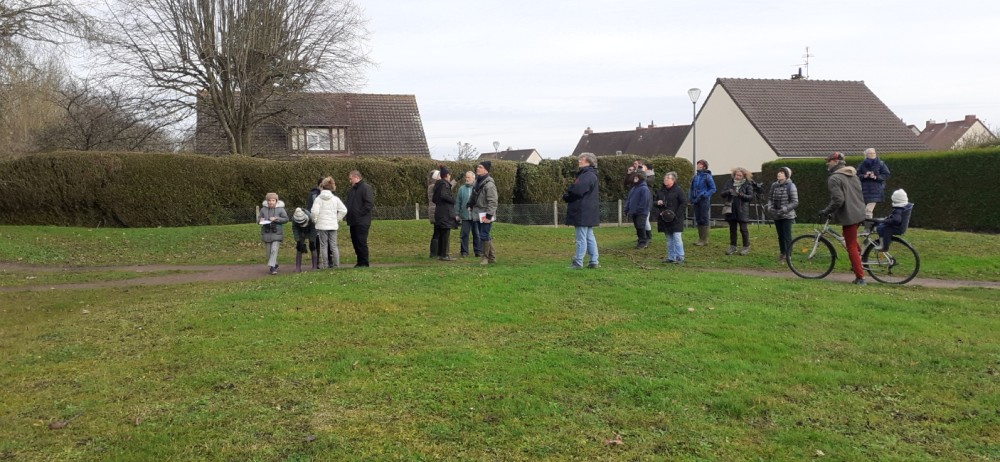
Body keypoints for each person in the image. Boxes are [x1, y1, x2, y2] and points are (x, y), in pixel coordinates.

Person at [819, 152, 867, 285]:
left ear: (835, 162)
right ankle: (858, 260)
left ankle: (860, 277)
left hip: (850, 215)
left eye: (828, 161)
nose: (827, 164)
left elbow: (838, 200)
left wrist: (826, 211)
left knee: (850, 245)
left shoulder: (834, 178)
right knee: (850, 239)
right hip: (859, 212)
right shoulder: (853, 174)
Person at [563, 152, 600, 269]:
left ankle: (578, 262)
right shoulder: (589, 175)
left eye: (582, 159)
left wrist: (567, 196)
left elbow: (577, 191)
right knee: (589, 236)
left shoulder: (586, 175)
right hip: (588, 210)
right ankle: (594, 261)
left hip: (582, 211)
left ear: (588, 161)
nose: (579, 161)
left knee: (581, 238)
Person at [310, 176, 348, 269]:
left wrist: (315, 220)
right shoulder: (335, 199)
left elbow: (314, 212)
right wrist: (337, 219)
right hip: (333, 225)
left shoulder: (318, 199)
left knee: (323, 246)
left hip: (322, 226)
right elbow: (343, 210)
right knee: (334, 245)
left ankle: (325, 265)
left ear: (321, 186)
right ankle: (336, 265)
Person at [765, 167, 799, 263]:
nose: (779, 174)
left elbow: (795, 202)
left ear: (786, 175)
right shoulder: (774, 185)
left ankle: (788, 255)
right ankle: (782, 253)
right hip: (776, 215)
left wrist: (784, 209)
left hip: (787, 216)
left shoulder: (791, 186)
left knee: (787, 236)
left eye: (782, 173)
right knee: (780, 236)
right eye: (779, 172)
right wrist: (770, 207)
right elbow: (770, 198)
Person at [720, 167, 755, 256]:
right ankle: (733, 246)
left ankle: (746, 246)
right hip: (731, 208)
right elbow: (722, 194)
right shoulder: (729, 182)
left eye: (740, 175)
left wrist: (741, 194)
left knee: (743, 229)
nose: (737, 177)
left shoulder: (748, 184)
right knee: (732, 229)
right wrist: (728, 191)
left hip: (742, 210)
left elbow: (750, 197)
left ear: (744, 176)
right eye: (736, 175)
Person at [470, 160, 498, 265]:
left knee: (483, 235)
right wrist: (470, 204)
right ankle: (492, 257)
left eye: (480, 167)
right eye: (478, 167)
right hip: (478, 213)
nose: (477, 168)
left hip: (486, 213)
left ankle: (485, 258)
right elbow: (474, 196)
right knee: (484, 235)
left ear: (486, 170)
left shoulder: (489, 184)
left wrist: (489, 215)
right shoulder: (477, 182)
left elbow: (493, 201)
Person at [655, 171, 688, 264]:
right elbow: (654, 202)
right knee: (669, 239)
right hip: (665, 219)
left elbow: (684, 203)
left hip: (676, 219)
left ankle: (680, 257)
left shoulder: (678, 190)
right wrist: (658, 203)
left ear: (673, 180)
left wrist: (676, 214)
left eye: (667, 178)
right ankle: (671, 257)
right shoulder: (661, 191)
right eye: (664, 178)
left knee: (677, 237)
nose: (665, 180)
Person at [345, 170, 374, 268]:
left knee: (361, 241)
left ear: (356, 177)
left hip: (362, 221)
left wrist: (359, 214)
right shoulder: (352, 190)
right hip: (353, 221)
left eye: (350, 178)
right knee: (355, 242)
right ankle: (359, 261)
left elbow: (368, 204)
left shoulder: (366, 188)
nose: (350, 181)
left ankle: (364, 262)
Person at [258, 192, 288, 275]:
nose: (271, 202)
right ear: (267, 201)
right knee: (268, 252)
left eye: (273, 200)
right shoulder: (263, 209)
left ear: (276, 201)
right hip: (266, 233)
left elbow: (286, 219)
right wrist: (260, 220)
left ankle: (272, 267)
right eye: (269, 200)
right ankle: (275, 264)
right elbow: (258, 219)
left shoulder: (281, 209)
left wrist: (276, 219)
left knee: (274, 250)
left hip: (277, 233)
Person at [856, 148, 891, 219]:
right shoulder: (862, 164)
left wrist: (876, 177)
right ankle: (866, 227)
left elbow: (886, 174)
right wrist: (864, 176)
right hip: (864, 190)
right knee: (862, 211)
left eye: (873, 153)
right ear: (866, 155)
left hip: (876, 190)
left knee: (868, 210)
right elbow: (857, 175)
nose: (872, 154)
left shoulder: (881, 164)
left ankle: (867, 229)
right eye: (870, 153)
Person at [432, 167, 458, 261]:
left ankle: (440, 254)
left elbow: (434, 199)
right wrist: (453, 200)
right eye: (449, 175)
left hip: (438, 212)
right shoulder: (444, 184)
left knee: (441, 233)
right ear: (447, 175)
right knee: (445, 233)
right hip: (445, 213)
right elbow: (444, 195)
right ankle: (444, 254)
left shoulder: (437, 185)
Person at [689, 159, 717, 246]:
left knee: (704, 218)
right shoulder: (695, 177)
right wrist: (690, 198)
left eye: (700, 164)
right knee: (698, 218)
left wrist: (705, 194)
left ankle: (704, 239)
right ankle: (700, 238)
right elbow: (691, 188)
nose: (698, 165)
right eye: (698, 164)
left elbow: (713, 189)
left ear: (704, 166)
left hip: (704, 200)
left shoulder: (707, 176)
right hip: (696, 200)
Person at [454, 170, 481, 257]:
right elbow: (458, 202)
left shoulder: (478, 188)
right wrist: (456, 213)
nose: (467, 179)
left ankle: (478, 251)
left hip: (475, 216)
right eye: (466, 177)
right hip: (465, 216)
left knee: (477, 234)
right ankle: (464, 252)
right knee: (464, 234)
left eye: (468, 177)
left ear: (473, 178)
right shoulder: (461, 189)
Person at [623, 172, 650, 249]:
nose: (635, 179)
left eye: (636, 178)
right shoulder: (634, 188)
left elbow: (644, 200)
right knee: (637, 227)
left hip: (641, 212)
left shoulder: (644, 188)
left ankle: (643, 242)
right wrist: (626, 209)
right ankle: (640, 240)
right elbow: (629, 199)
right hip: (634, 211)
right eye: (634, 178)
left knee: (641, 226)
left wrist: (639, 209)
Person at [305, 177, 324, 269]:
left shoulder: (332, 195)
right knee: (315, 242)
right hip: (315, 221)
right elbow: (309, 207)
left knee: (326, 242)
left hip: (326, 221)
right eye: (321, 185)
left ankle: (329, 261)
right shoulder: (312, 195)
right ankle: (315, 262)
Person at [290, 207, 315, 272]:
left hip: (310, 230)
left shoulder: (310, 217)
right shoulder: (294, 219)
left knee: (313, 247)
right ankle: (298, 267)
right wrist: (298, 240)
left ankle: (314, 267)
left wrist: (312, 240)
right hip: (300, 231)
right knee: (299, 248)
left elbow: (313, 229)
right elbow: (295, 229)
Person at [426, 169, 441, 258]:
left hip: (433, 211)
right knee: (437, 232)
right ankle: (434, 252)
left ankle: (434, 252)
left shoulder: (431, 186)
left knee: (436, 232)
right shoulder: (433, 186)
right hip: (435, 211)